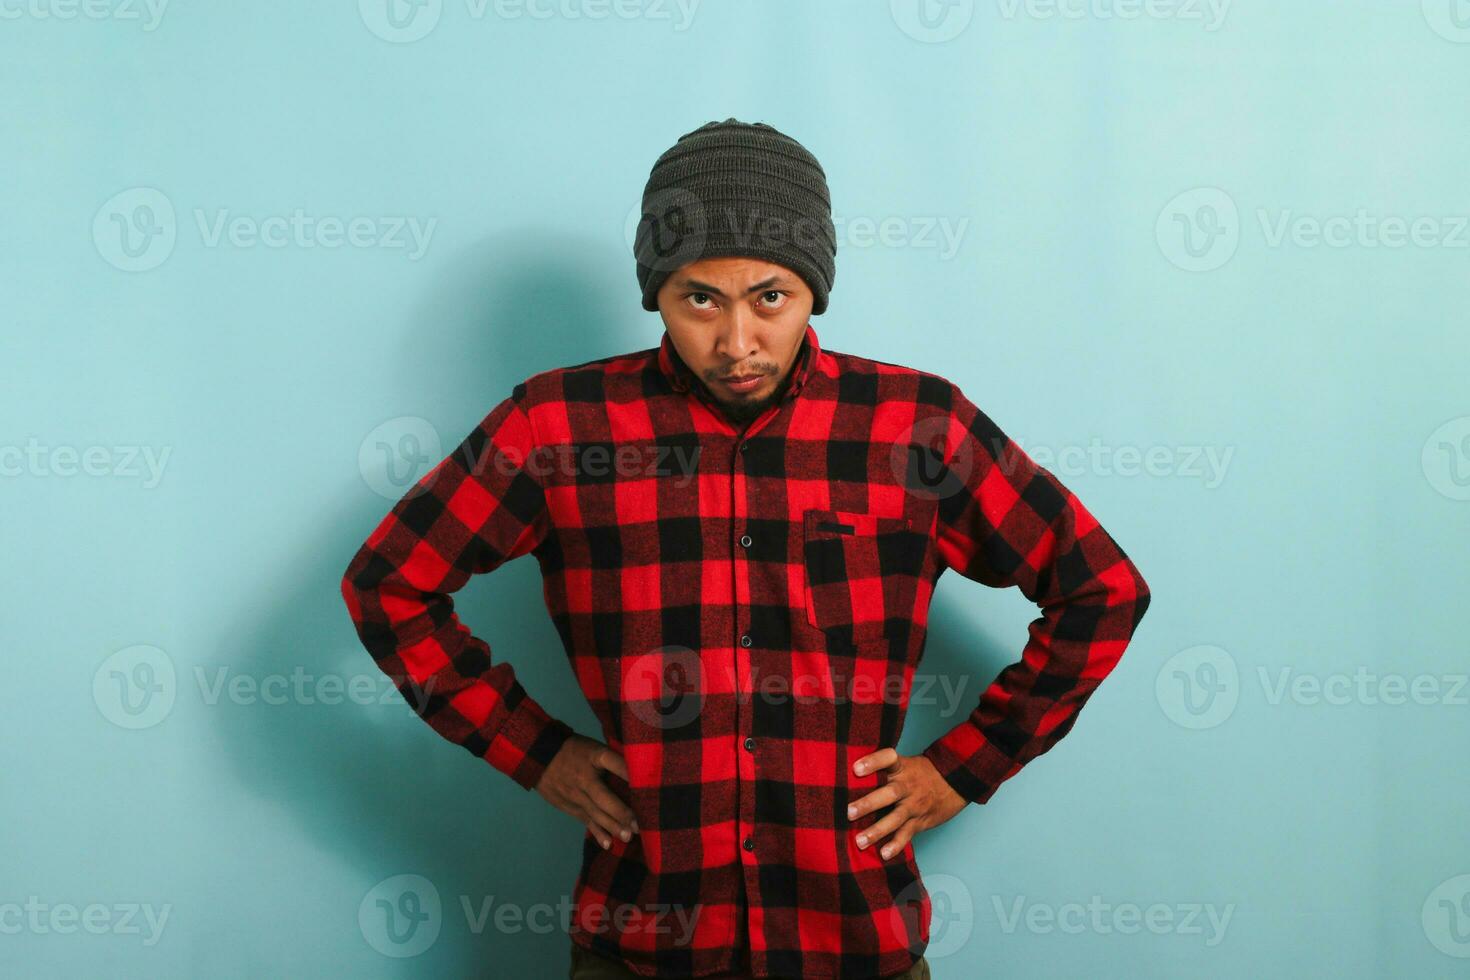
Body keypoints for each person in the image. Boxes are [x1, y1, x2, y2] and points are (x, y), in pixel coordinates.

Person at [340, 118, 1151, 980]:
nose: (736, 342)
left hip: (853, 940)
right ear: (656, 292)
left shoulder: (917, 427)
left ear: (814, 292)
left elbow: (1100, 590)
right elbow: (389, 586)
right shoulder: (558, 426)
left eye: (770, 297)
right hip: (643, 942)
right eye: (700, 298)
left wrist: (962, 770)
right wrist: (535, 752)